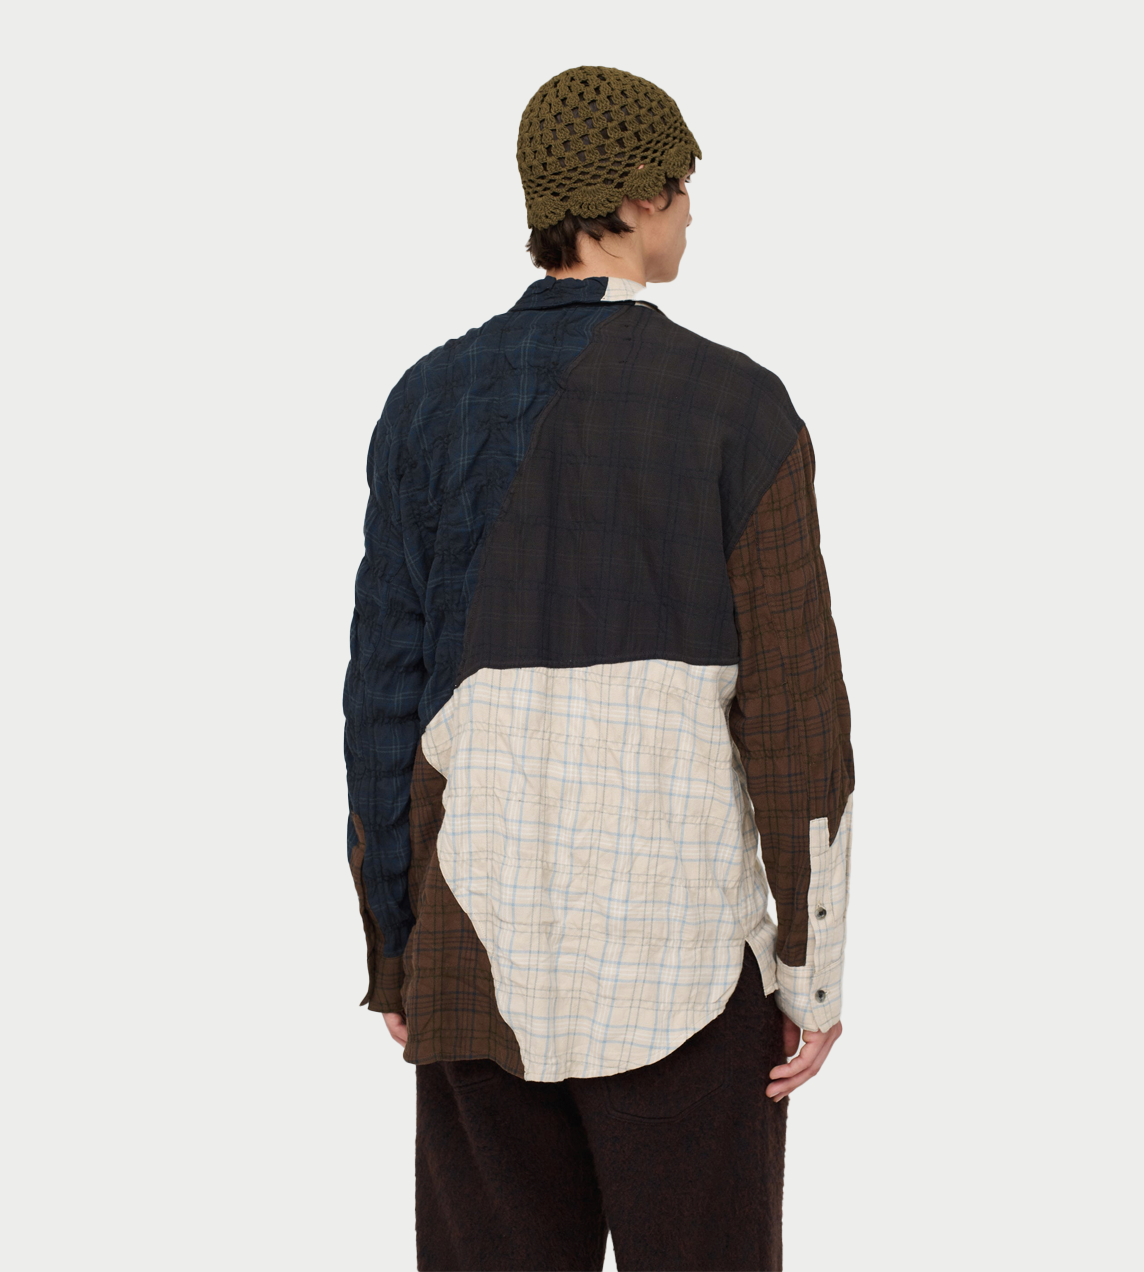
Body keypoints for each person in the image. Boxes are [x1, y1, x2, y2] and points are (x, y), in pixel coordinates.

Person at [343, 65, 855, 1272]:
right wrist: (811, 973)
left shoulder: (426, 405)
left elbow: (382, 703)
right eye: (680, 187)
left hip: (470, 965)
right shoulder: (740, 410)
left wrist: (393, 950)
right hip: (688, 973)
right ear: (630, 201)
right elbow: (795, 722)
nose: (691, 212)